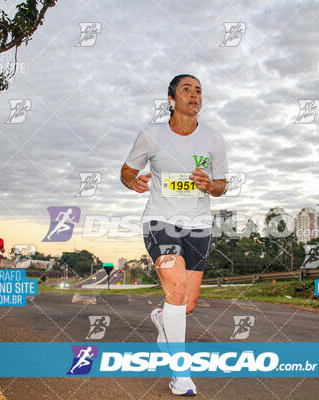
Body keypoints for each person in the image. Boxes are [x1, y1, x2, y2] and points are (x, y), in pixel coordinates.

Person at [120, 74, 228, 396]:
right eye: (186, 90)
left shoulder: (213, 139)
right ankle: (181, 375)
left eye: (198, 91)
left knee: (187, 304)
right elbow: (127, 170)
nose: (194, 95)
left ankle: (160, 316)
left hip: (199, 226)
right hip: (160, 222)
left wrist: (210, 185)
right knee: (177, 292)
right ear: (171, 99)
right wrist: (133, 181)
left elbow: (222, 185)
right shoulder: (151, 135)